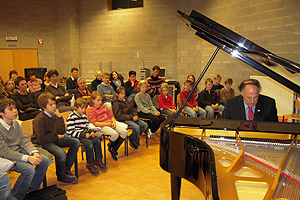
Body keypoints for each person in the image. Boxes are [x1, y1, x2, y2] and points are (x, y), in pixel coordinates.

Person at [0, 98, 50, 200]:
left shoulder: (15, 124)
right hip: (6, 158)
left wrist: (34, 152)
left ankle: (31, 188)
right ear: (1, 113)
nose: (15, 111)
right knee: (29, 169)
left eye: (15, 108)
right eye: (10, 109)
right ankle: (16, 196)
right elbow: (5, 152)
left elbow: (24, 140)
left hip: (18, 152)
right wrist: (27, 158)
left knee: (44, 160)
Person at [31, 92, 80, 184]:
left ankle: (65, 169)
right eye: (51, 105)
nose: (54, 107)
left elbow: (62, 131)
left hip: (54, 139)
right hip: (44, 143)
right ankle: (61, 176)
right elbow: (41, 139)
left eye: (54, 104)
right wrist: (56, 136)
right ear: (44, 107)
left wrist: (60, 118)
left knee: (75, 142)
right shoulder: (39, 119)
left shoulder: (54, 115)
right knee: (60, 153)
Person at [66, 98, 106, 175]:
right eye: (82, 108)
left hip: (84, 134)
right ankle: (90, 164)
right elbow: (71, 132)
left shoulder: (84, 116)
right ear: (76, 107)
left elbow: (87, 127)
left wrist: (91, 132)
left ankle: (98, 159)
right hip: (76, 137)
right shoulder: (71, 117)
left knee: (97, 140)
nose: (84, 110)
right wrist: (84, 135)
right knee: (89, 144)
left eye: (85, 108)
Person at [88, 91, 128, 161]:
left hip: (110, 123)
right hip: (102, 126)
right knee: (114, 134)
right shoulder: (91, 109)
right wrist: (107, 124)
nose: (100, 102)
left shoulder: (104, 106)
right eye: (98, 100)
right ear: (93, 100)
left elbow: (111, 116)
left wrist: (113, 123)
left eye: (101, 100)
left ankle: (113, 148)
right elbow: (95, 123)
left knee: (124, 132)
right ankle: (112, 147)